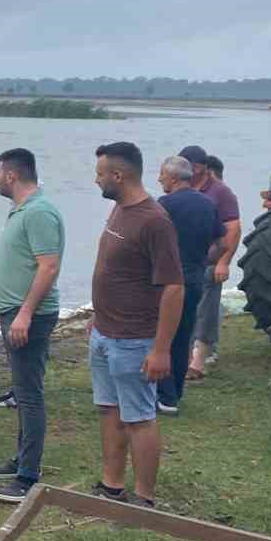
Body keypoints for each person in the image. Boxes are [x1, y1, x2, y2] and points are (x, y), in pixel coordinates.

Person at [91, 143, 185, 508]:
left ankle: (144, 498)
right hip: (104, 332)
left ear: (119, 175)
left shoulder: (154, 220)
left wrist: (161, 349)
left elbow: (174, 287)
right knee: (109, 409)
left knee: (140, 417)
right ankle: (111, 484)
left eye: (100, 173)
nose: (96, 179)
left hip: (134, 339)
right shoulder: (119, 209)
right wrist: (99, 317)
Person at [0, 149, 64, 503]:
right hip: (15, 312)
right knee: (22, 389)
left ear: (12, 175)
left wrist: (26, 313)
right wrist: (7, 309)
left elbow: (48, 267)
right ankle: (21, 460)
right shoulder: (21, 211)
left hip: (31, 315)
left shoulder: (40, 212)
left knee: (29, 395)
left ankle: (29, 475)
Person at [154, 156, 220, 415]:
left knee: (162, 335)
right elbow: (222, 244)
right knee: (183, 336)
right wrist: (202, 260)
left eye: (161, 174)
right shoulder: (207, 203)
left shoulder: (164, 205)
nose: (159, 179)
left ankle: (164, 395)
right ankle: (175, 392)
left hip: (168, 281)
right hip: (194, 278)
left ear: (172, 177)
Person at [182, 146, 240, 380]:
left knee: (206, 310)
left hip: (208, 262)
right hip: (184, 262)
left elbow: (233, 228)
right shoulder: (183, 189)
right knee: (184, 310)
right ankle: (183, 358)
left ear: (197, 168)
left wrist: (223, 262)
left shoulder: (220, 192)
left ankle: (198, 361)